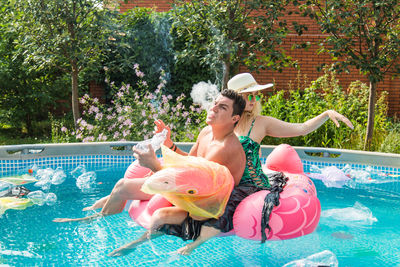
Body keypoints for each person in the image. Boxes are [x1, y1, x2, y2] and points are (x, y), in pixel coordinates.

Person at [108, 73, 354, 256]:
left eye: (255, 95)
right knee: (127, 187)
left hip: (243, 184)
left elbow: (300, 129)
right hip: (209, 179)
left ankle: (182, 241)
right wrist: (170, 146)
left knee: (210, 211)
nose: (254, 99)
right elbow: (194, 161)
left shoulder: (260, 123)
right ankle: (105, 208)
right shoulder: (215, 126)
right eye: (249, 95)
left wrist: (326, 114)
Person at [53, 89, 247, 227]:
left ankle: (93, 221)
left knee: (127, 186)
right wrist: (169, 144)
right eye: (215, 104)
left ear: (234, 119)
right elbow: (191, 159)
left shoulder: (225, 148)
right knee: (122, 186)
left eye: (222, 108)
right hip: (192, 188)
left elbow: (197, 188)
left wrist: (156, 166)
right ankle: (99, 218)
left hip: (206, 202)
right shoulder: (206, 132)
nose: (213, 109)